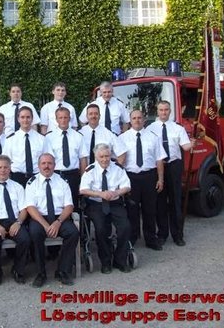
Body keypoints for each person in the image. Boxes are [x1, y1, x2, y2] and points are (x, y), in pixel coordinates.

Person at [26, 153, 80, 287]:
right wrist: (45, 225)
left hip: (59, 217)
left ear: (54, 166)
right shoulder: (32, 183)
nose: (46, 166)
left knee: (73, 233)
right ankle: (41, 273)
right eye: (43, 163)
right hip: (40, 218)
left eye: (49, 163)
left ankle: (63, 271)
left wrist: (58, 222)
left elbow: (69, 206)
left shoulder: (62, 181)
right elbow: (31, 207)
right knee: (35, 233)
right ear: (38, 166)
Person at [146, 100, 193, 247]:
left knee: (175, 201)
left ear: (170, 111)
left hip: (173, 166)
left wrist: (193, 143)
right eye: (161, 110)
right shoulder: (150, 128)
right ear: (157, 111)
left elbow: (185, 147)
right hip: (158, 167)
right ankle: (162, 234)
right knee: (160, 203)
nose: (164, 112)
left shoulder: (178, 128)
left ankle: (177, 235)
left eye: (166, 110)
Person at [117, 110, 167, 251]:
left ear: (144, 120)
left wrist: (161, 179)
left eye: (139, 118)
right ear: (130, 121)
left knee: (149, 209)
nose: (137, 120)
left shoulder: (153, 137)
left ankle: (150, 238)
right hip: (130, 177)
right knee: (131, 210)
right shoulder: (123, 138)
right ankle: (132, 237)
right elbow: (119, 162)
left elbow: (159, 159)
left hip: (149, 176)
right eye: (134, 118)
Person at [79, 143, 132, 274]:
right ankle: (106, 262)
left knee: (125, 227)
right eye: (101, 156)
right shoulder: (90, 170)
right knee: (101, 229)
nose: (105, 159)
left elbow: (127, 186)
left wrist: (116, 193)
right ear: (96, 157)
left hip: (115, 202)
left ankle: (120, 260)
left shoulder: (118, 168)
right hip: (96, 203)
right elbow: (83, 190)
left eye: (107, 156)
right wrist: (100, 193)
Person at [0, 155, 31, 285]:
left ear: (10, 169)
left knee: (25, 239)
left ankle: (18, 270)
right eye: (0, 167)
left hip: (14, 220)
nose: (3, 170)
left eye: (5, 167)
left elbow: (24, 209)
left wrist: (18, 223)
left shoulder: (18, 187)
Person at [44, 107, 83, 208]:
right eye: (60, 117)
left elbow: (83, 159)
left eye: (66, 117)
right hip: (56, 175)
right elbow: (48, 159)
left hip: (73, 175)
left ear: (70, 118)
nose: (63, 120)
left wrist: (83, 180)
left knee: (73, 204)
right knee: (57, 203)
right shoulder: (49, 137)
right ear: (56, 119)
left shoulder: (78, 136)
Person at [4, 106, 47, 187]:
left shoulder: (41, 139)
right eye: (22, 117)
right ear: (18, 119)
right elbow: (6, 161)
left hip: (37, 177)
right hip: (17, 178)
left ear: (32, 119)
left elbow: (46, 159)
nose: (25, 120)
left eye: (28, 117)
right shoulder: (10, 140)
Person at [79, 103, 122, 171]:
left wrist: (116, 171)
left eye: (96, 113)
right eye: (91, 114)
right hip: (84, 173)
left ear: (100, 116)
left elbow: (122, 153)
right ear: (86, 116)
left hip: (103, 173)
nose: (93, 116)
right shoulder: (80, 134)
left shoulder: (108, 134)